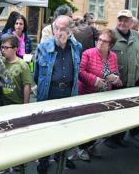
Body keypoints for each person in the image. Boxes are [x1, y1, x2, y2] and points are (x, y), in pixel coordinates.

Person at [34, 15, 82, 173]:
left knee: (65, 127)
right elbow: (36, 74)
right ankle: (43, 160)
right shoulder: (43, 47)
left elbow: (76, 71)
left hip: (68, 92)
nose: (59, 32)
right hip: (49, 91)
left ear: (69, 31)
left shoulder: (77, 47)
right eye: (56, 28)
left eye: (63, 29)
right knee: (46, 127)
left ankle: (61, 157)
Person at [77, 29, 122, 161]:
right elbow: (80, 71)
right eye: (99, 39)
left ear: (111, 45)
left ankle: (91, 145)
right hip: (87, 94)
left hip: (103, 96)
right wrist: (95, 80)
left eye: (105, 41)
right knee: (85, 123)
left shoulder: (113, 56)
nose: (100, 43)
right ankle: (81, 148)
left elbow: (116, 73)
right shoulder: (88, 53)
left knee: (96, 122)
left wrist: (115, 79)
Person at [107, 9, 139, 147]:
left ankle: (132, 133)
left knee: (134, 109)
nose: (122, 23)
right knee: (116, 113)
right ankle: (113, 139)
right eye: (120, 19)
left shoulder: (137, 35)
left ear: (132, 22)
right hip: (117, 84)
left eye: (126, 20)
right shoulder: (110, 35)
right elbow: (101, 58)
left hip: (134, 81)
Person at [0, 35, 31, 105]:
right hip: (3, 103)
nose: (3, 50)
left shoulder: (22, 64)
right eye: (2, 47)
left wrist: (26, 104)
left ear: (15, 49)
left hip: (17, 104)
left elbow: (27, 85)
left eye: (6, 48)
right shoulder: (1, 62)